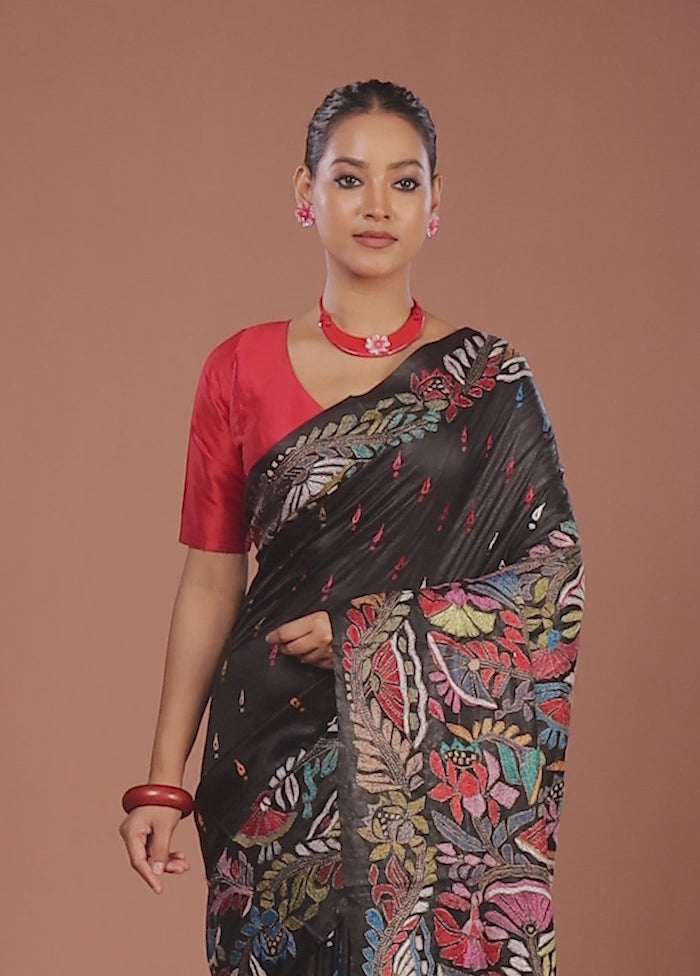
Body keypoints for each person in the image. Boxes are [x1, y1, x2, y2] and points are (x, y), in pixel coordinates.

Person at [119, 79, 584, 976]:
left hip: (422, 765)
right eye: (349, 179)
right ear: (306, 192)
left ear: (435, 203)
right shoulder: (238, 367)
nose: (378, 205)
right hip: (268, 753)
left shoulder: (488, 380)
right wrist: (163, 781)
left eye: (404, 182)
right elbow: (211, 579)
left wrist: (374, 635)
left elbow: (549, 583)